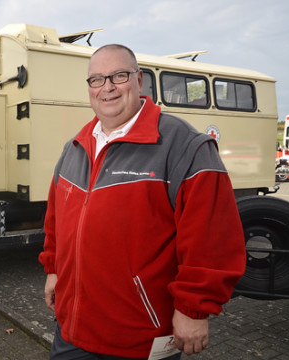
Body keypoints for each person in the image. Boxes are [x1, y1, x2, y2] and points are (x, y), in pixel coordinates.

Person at [38, 44, 247, 359]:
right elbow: (56, 221)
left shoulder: (184, 146)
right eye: (96, 79)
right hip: (72, 333)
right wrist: (54, 270)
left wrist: (194, 309)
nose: (106, 87)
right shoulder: (75, 147)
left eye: (118, 76)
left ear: (139, 81)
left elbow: (212, 239)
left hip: (139, 339)